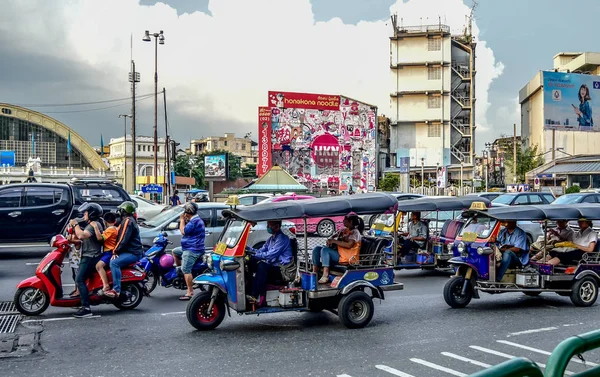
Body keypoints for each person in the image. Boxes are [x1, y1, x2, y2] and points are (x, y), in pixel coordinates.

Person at [68, 203, 105, 318]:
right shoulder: (92, 224)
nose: (84, 214)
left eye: (86, 213)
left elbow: (82, 236)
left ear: (91, 214)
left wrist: (75, 225)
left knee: (79, 279)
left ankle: (86, 308)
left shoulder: (94, 225)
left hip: (91, 256)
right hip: (89, 255)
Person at [103, 201, 143, 299]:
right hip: (129, 251)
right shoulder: (127, 221)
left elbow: (123, 238)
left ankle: (116, 290)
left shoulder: (128, 221)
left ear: (124, 211)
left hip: (133, 253)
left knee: (114, 263)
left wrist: (115, 251)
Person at [246, 220, 293, 304]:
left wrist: (256, 255)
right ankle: (248, 289)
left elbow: (270, 255)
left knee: (262, 266)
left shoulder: (282, 239)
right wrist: (248, 249)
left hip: (282, 270)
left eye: (269, 225)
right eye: (267, 225)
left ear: (277, 227)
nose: (267, 227)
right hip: (274, 267)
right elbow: (260, 250)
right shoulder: (271, 239)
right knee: (251, 262)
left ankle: (255, 295)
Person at [312, 214, 363, 284]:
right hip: (341, 254)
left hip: (348, 257)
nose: (343, 221)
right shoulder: (344, 230)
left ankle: (325, 275)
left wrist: (335, 241)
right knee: (317, 249)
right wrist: (331, 240)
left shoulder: (355, 232)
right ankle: (315, 273)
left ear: (350, 221)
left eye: (345, 220)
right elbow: (334, 236)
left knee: (325, 250)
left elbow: (349, 245)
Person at [171, 202, 206, 300]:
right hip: (188, 247)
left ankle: (190, 291)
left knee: (186, 269)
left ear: (188, 212)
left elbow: (183, 231)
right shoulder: (194, 220)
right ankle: (181, 274)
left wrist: (182, 220)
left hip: (192, 250)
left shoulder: (194, 222)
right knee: (175, 252)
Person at [92, 212, 119, 294]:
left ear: (105, 222)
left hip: (109, 252)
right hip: (108, 252)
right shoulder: (115, 228)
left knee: (99, 266)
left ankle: (106, 285)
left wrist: (95, 227)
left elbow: (100, 238)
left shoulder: (110, 230)